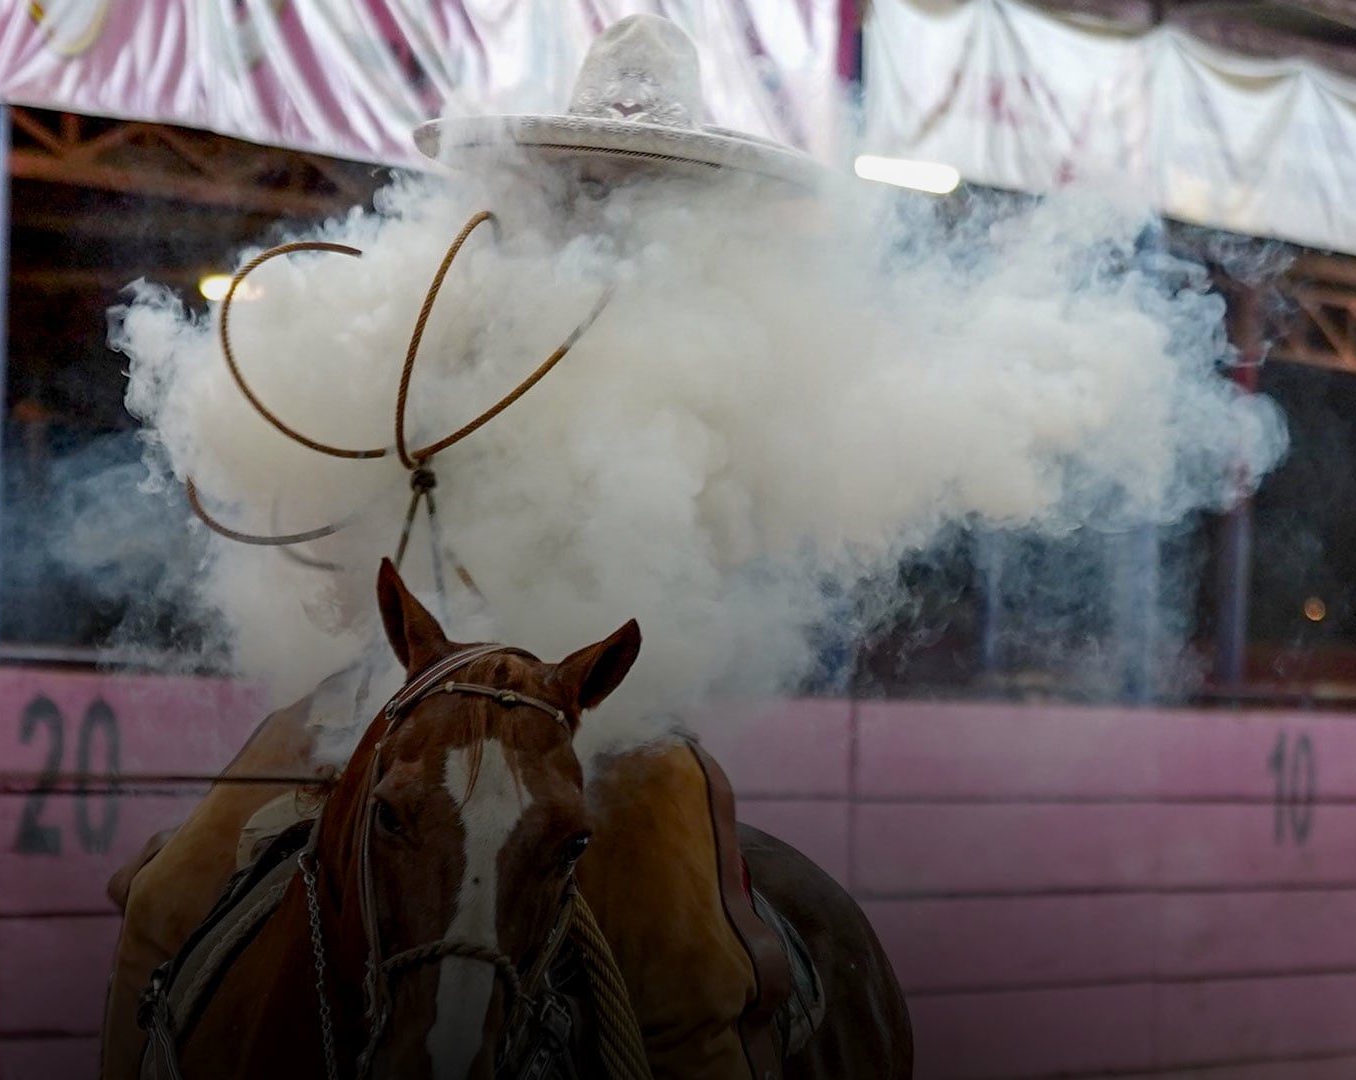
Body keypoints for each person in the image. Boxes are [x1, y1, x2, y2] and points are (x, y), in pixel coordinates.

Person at [100, 15, 826, 1079]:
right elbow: (357, 471)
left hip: (601, 719)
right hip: (406, 692)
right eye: (590, 172)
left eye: (639, 178)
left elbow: (741, 547)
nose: (607, 196)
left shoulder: (747, 347)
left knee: (685, 983)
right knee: (169, 896)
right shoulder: (464, 300)